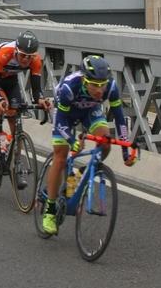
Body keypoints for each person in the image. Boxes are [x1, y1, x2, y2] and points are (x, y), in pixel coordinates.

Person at [40, 55, 133, 236]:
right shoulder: (70, 87)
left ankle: (77, 176)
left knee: (105, 143)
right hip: (65, 115)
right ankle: (50, 210)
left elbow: (120, 119)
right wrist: (72, 141)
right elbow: (60, 122)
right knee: (61, 156)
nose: (99, 90)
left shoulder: (111, 87)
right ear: (84, 80)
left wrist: (125, 152)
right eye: (94, 85)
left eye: (102, 85)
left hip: (90, 111)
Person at [0, 30, 51, 161]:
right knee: (1, 106)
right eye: (23, 55)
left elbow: (36, 89)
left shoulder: (35, 60)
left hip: (10, 80)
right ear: (16, 51)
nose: (26, 60)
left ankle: (15, 161)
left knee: (14, 113)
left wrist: (41, 100)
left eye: (30, 56)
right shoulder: (5, 53)